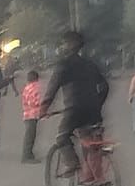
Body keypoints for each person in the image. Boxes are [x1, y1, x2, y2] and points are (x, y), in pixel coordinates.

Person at [40, 31, 110, 174]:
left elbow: (53, 87)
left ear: (68, 45)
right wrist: (98, 103)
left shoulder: (64, 65)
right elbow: (105, 86)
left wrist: (44, 108)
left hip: (74, 110)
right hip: (94, 111)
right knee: (90, 141)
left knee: (62, 137)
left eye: (64, 43)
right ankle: (95, 180)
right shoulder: (90, 64)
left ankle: (72, 163)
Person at [20, 70, 44, 163]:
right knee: (30, 136)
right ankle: (27, 156)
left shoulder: (26, 87)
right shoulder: (36, 87)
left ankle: (29, 154)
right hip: (33, 114)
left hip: (26, 114)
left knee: (29, 135)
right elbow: (36, 101)